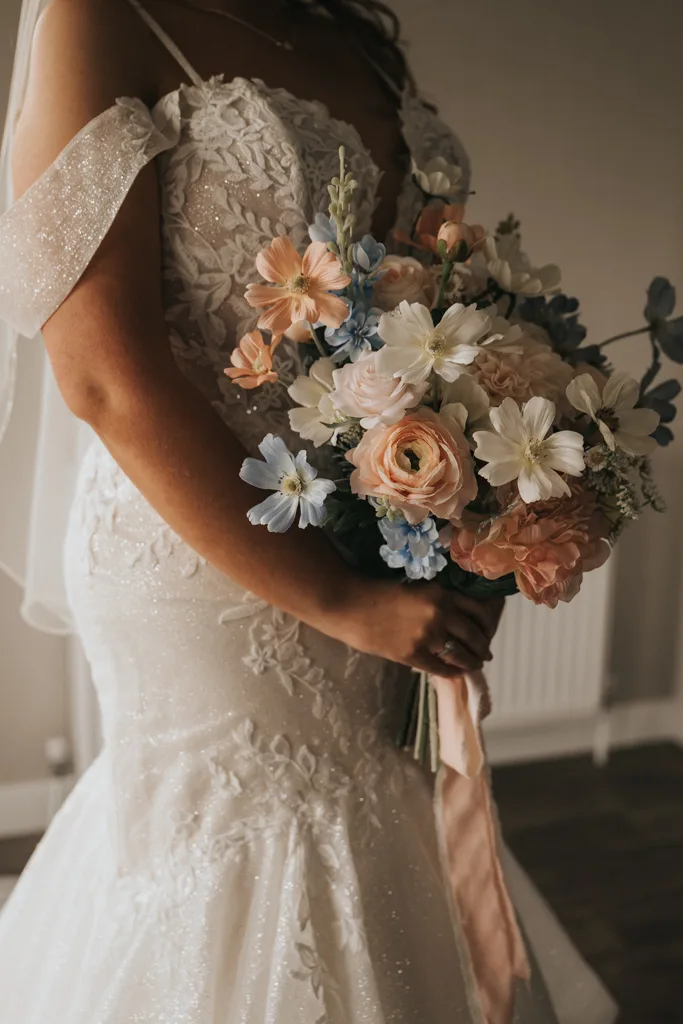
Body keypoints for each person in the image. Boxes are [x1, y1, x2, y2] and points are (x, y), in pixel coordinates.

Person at [0, 2, 618, 1021]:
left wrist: (483, 521)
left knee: (378, 827)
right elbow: (101, 370)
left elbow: (427, 300)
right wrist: (331, 595)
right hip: (196, 548)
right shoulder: (101, 13)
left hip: (375, 512)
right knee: (251, 850)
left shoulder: (346, 31)